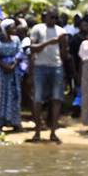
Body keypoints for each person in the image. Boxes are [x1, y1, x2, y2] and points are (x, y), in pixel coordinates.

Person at [27, 8, 66, 143]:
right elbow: (32, 49)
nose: (53, 20)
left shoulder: (62, 31)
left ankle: (53, 133)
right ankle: (37, 131)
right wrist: (50, 42)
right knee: (37, 99)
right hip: (40, 66)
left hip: (57, 67)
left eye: (56, 17)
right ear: (45, 17)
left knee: (56, 99)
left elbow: (64, 53)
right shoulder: (38, 29)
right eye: (51, 17)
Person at [0, 19, 24, 132]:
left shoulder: (16, 39)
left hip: (13, 71)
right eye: (12, 27)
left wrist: (13, 64)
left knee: (15, 94)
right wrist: (4, 66)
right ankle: (0, 121)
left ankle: (15, 121)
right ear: (5, 29)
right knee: (1, 95)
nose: (15, 29)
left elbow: (19, 52)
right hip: (1, 71)